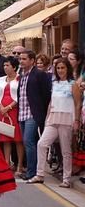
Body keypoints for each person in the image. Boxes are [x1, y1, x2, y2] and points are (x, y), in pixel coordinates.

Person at [28, 58, 81, 187]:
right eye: (58, 68)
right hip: (53, 118)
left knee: (66, 150)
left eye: (63, 68)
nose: (60, 70)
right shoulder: (54, 83)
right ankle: (40, 174)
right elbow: (51, 102)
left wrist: (76, 121)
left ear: (67, 68)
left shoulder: (73, 84)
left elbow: (78, 103)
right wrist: (47, 118)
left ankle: (66, 179)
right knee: (42, 143)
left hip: (67, 118)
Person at [17, 50, 52, 180]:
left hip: (32, 113)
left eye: (24, 59)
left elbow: (46, 95)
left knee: (29, 141)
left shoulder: (39, 74)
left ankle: (32, 172)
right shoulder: (21, 75)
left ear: (32, 61)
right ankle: (34, 170)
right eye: (20, 59)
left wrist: (42, 113)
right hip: (22, 113)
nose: (21, 61)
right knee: (29, 142)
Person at [0, 56, 24, 176]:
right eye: (4, 65)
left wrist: (9, 107)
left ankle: (20, 165)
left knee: (17, 139)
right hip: (2, 111)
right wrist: (0, 106)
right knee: (5, 138)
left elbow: (19, 95)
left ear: (14, 67)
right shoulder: (1, 79)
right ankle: (6, 164)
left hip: (14, 110)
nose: (5, 68)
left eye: (8, 65)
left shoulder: (19, 79)